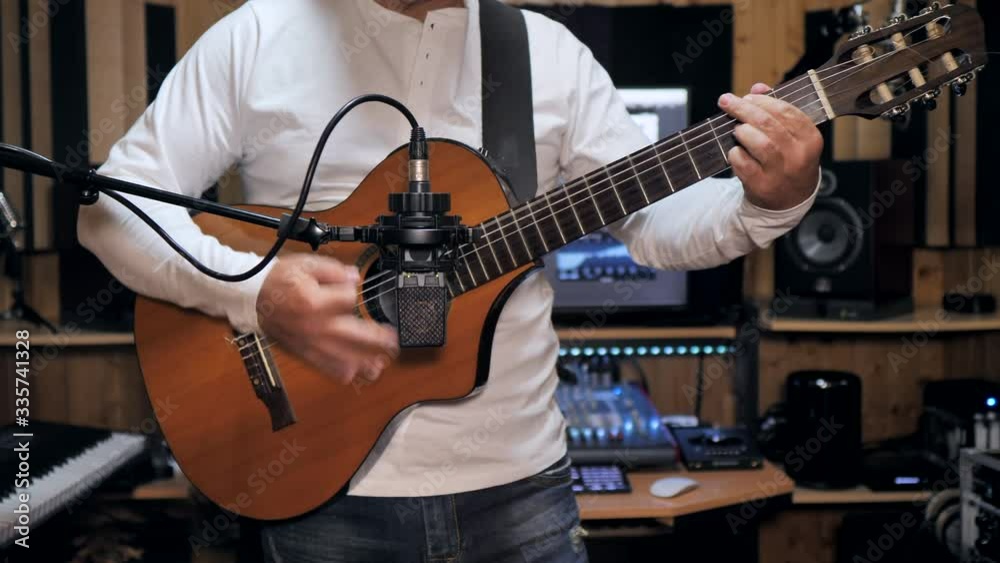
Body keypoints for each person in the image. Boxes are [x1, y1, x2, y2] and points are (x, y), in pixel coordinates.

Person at [78, 0, 823, 561]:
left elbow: (656, 228)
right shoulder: (258, 36)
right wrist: (255, 294)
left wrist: (774, 198)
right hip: (319, 491)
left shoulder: (544, 55)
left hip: (521, 492)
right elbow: (110, 210)